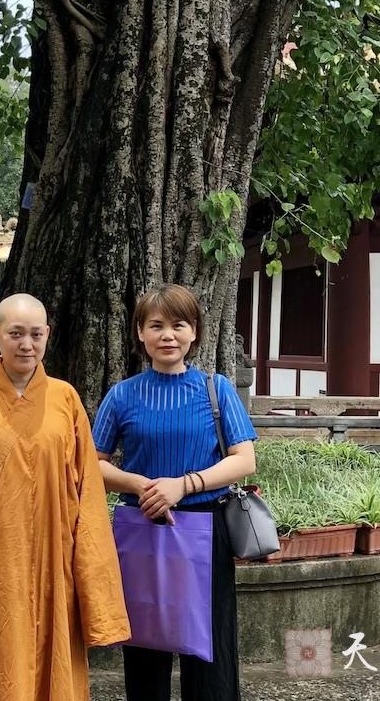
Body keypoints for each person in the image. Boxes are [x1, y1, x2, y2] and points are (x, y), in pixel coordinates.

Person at [0, 293, 131, 700]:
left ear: (47, 336)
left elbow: (88, 494)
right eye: (16, 333)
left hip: (57, 563)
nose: (26, 344)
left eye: (36, 334)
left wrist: (93, 584)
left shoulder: (65, 398)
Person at [93, 283, 258, 701]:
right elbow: (91, 463)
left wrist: (182, 485)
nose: (168, 335)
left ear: (195, 332)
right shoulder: (122, 395)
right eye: (156, 325)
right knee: (145, 643)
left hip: (205, 527)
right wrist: (141, 486)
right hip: (141, 529)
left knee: (210, 650)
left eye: (179, 325)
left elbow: (244, 460)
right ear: (140, 334)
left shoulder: (216, 390)